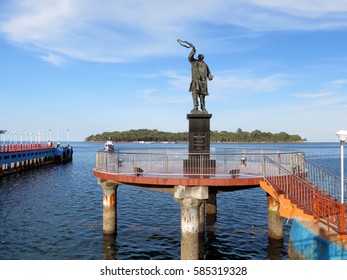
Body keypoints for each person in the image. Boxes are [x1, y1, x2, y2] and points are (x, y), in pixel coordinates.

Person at [188, 45, 213, 112]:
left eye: (202, 56)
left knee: (202, 96)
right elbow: (189, 57)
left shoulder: (205, 65)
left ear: (203, 58)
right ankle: (195, 107)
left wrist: (210, 76)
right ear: (198, 57)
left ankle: (203, 107)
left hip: (203, 82)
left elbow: (208, 73)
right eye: (199, 56)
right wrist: (193, 51)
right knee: (195, 94)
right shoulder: (194, 62)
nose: (200, 57)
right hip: (196, 81)